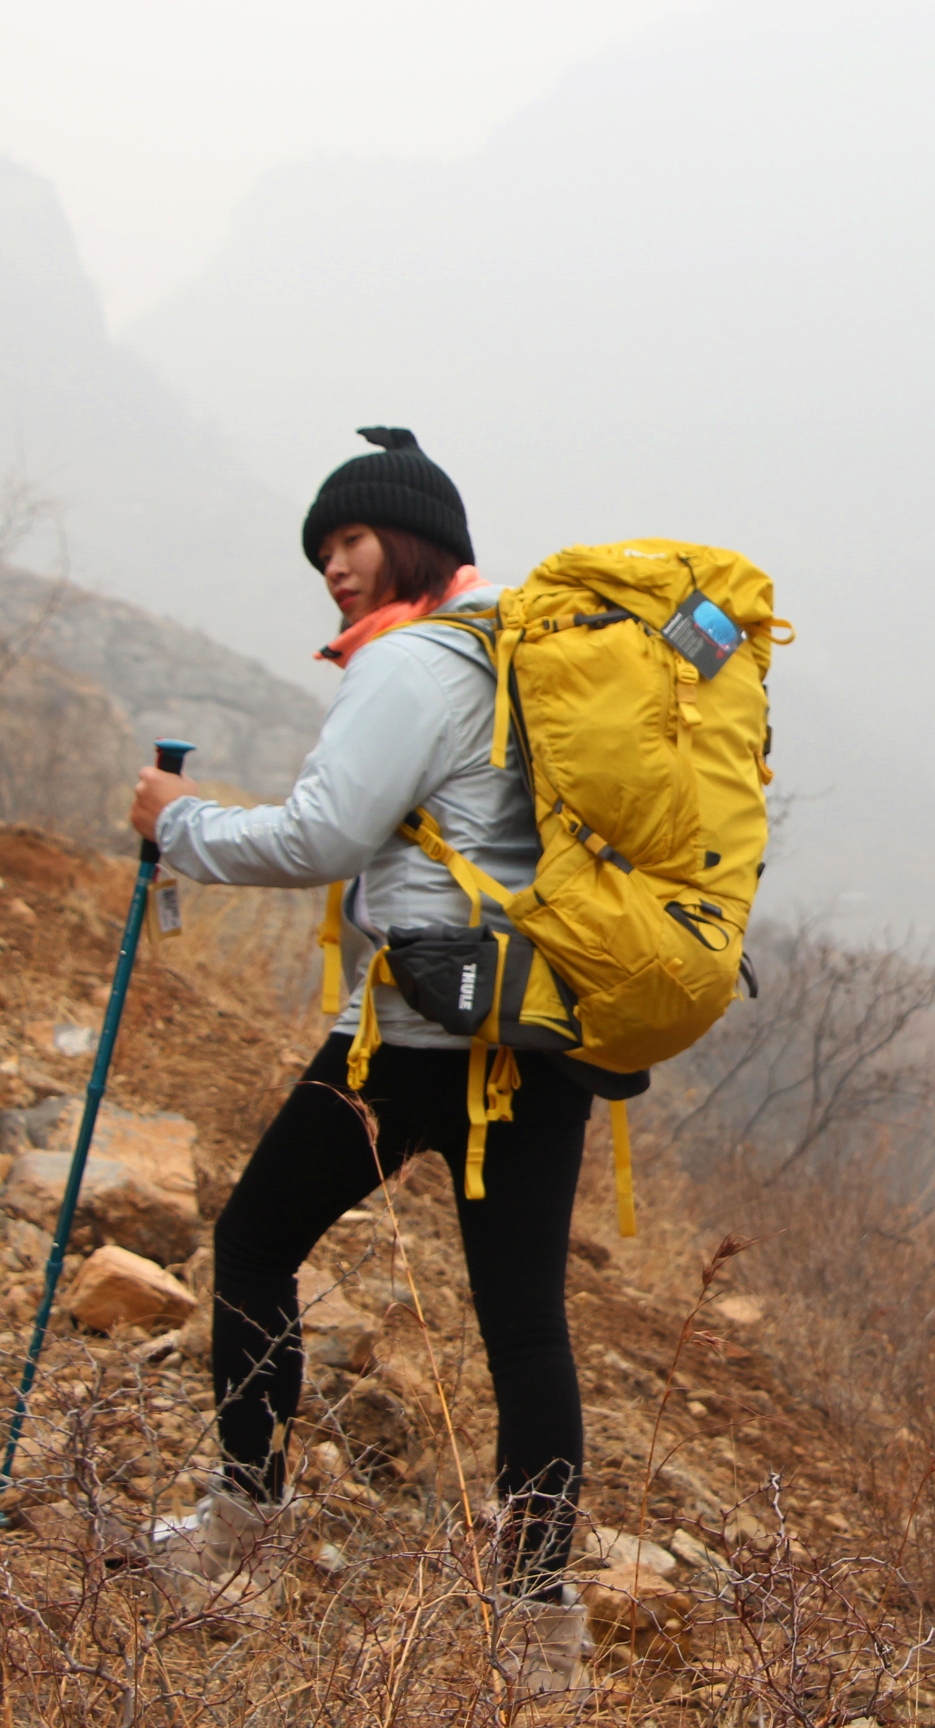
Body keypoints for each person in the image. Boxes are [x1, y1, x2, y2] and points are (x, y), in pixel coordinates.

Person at [127, 428, 592, 1685]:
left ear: (415, 542)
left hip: (414, 1036)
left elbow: (321, 837)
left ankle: (240, 1537)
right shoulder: (520, 656)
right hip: (538, 1034)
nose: (334, 567)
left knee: (253, 1245)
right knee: (525, 1331)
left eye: (352, 539)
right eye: (322, 550)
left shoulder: (413, 663)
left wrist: (181, 825)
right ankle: (540, 1636)